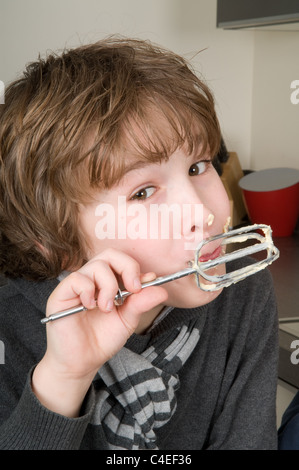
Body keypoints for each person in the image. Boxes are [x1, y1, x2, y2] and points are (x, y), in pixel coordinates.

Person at [0, 37, 278, 450]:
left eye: (199, 166)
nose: (201, 213)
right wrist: (64, 378)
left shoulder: (243, 292)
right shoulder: (11, 324)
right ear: (59, 243)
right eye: (144, 192)